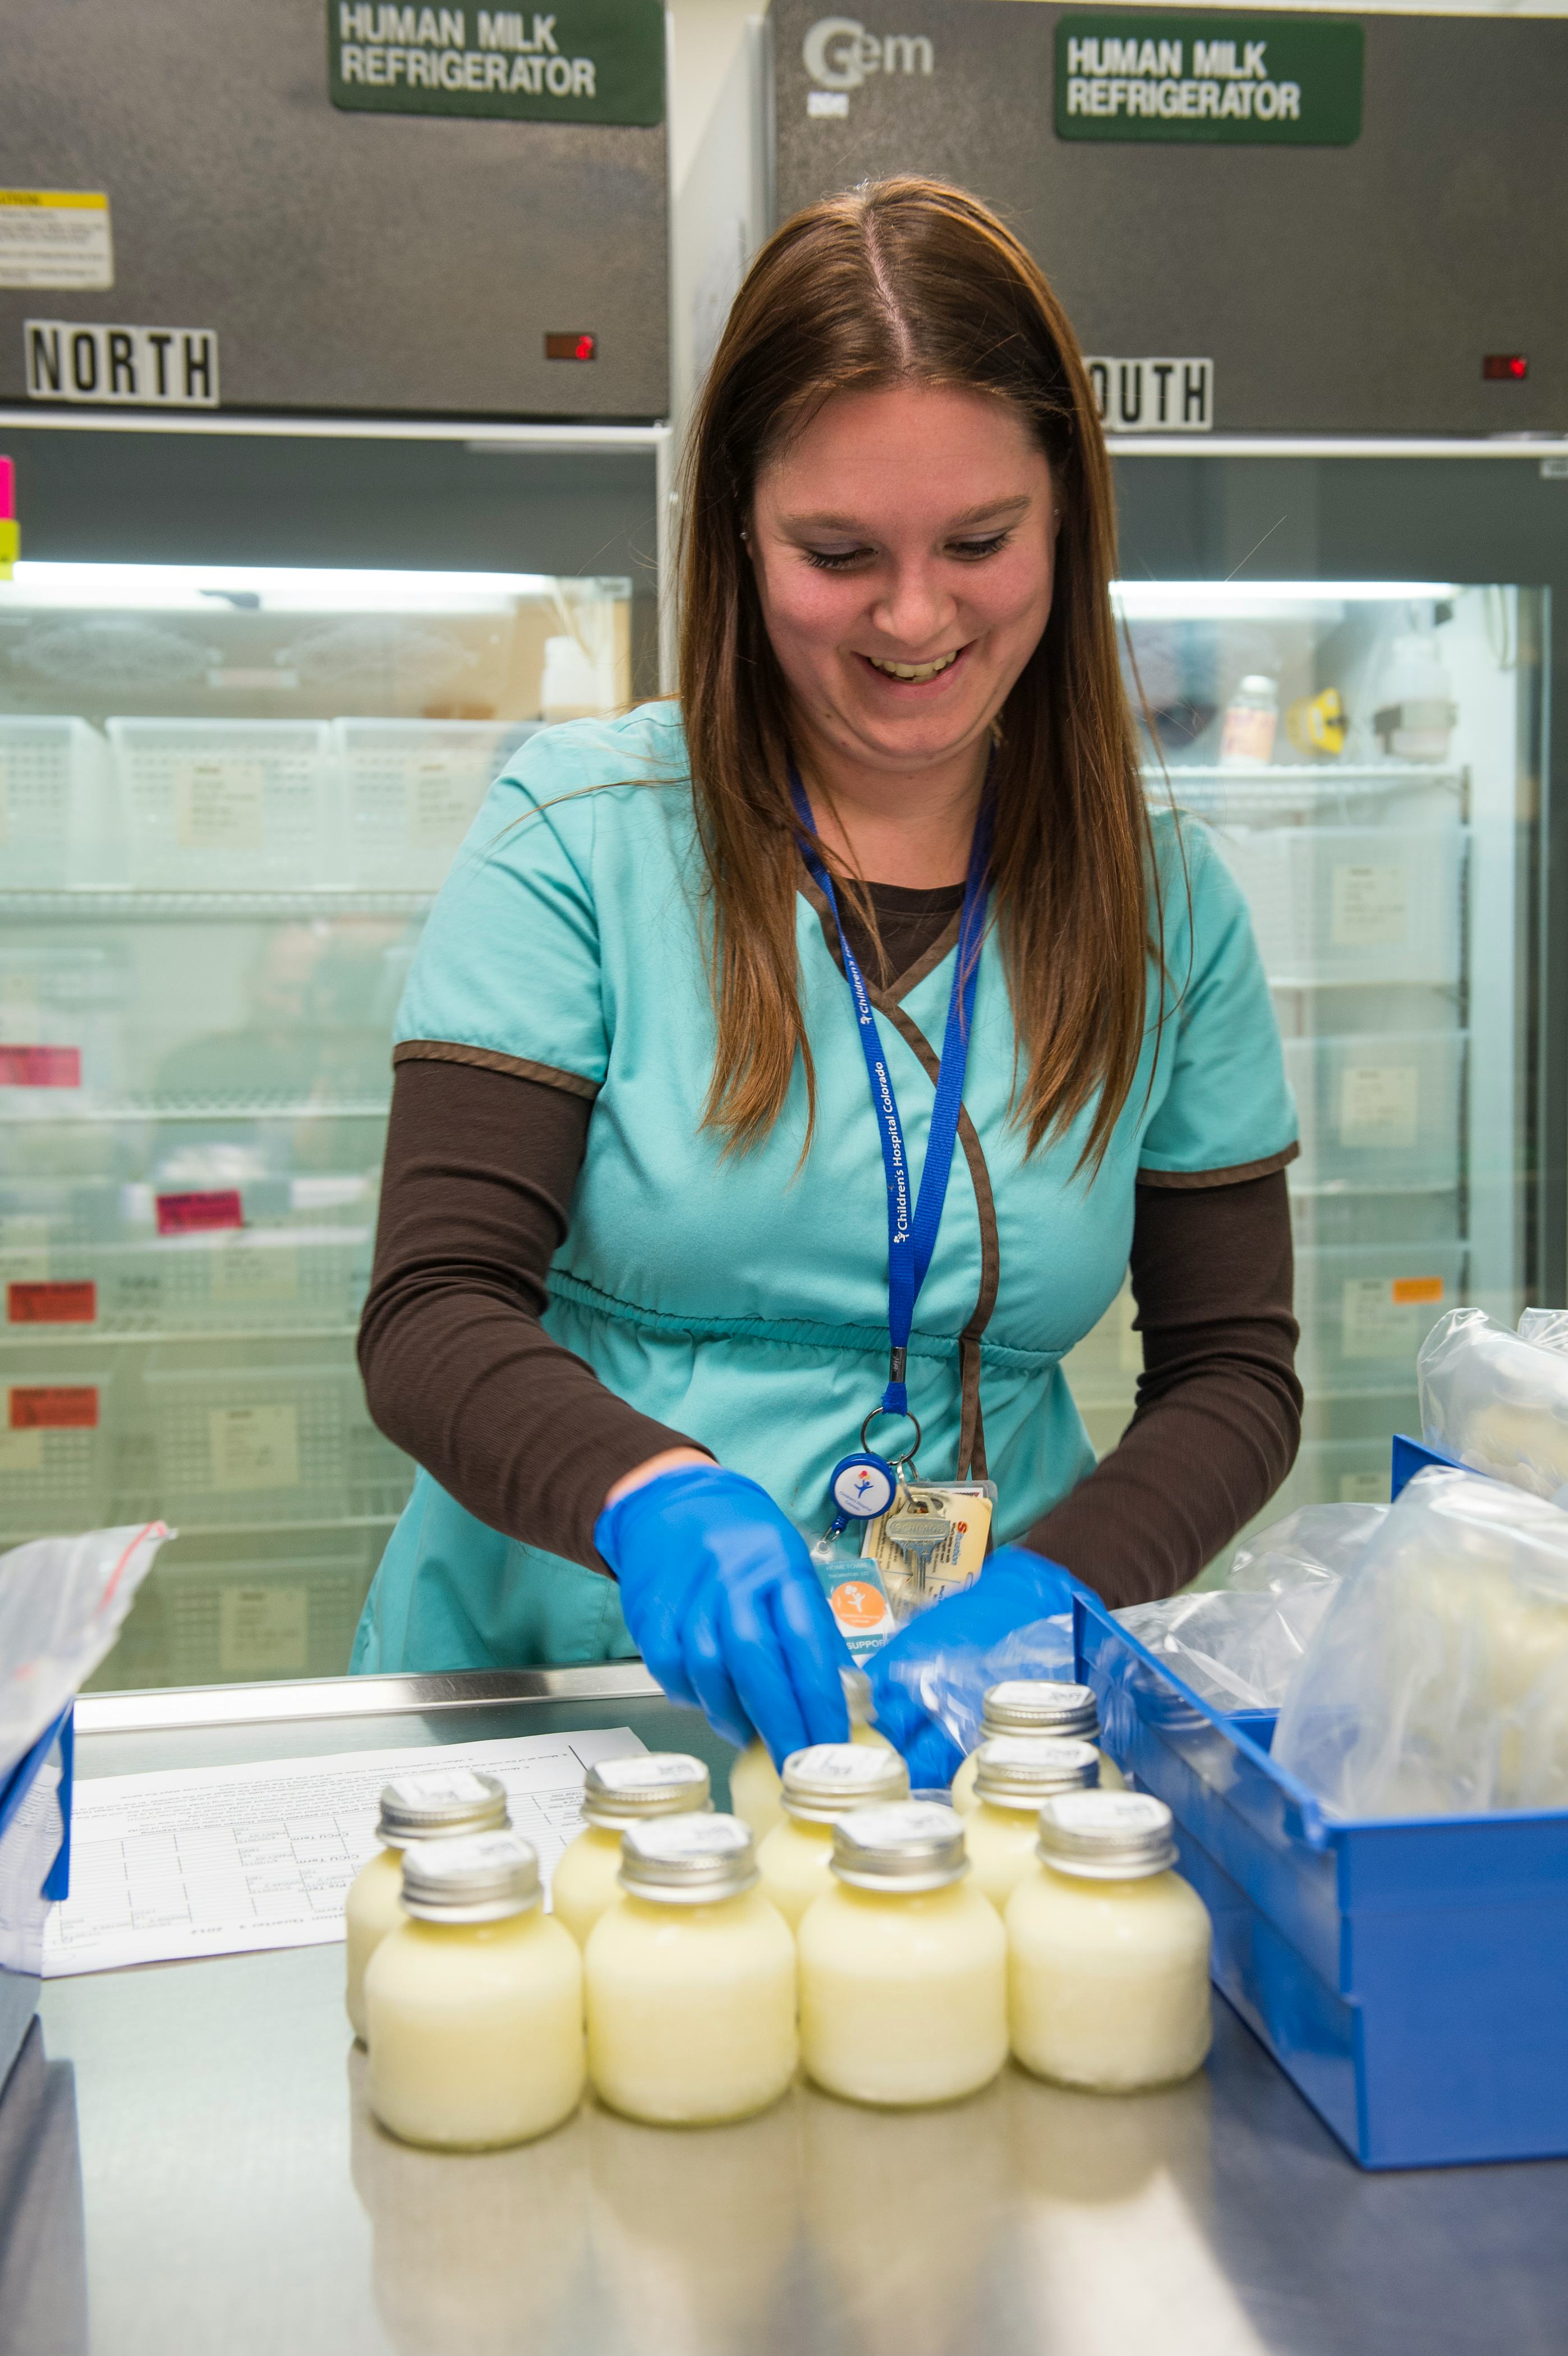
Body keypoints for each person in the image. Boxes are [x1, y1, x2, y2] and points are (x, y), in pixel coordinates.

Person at [351, 177, 1300, 1785]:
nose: (915, 615)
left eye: (980, 542)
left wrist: (1067, 1588)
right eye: (839, 550)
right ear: (736, 523)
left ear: (1064, 518)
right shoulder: (579, 835)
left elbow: (1232, 1374)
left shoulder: (1165, 908)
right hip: (564, 1692)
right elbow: (432, 1308)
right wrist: (649, 1494)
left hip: (964, 1713)